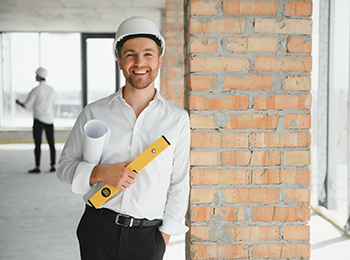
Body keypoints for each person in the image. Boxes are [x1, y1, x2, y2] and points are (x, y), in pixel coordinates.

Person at [56, 16, 190, 260]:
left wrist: (164, 237)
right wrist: (100, 173)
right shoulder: (94, 112)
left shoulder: (177, 120)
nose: (140, 62)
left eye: (148, 54)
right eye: (130, 54)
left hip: (147, 238)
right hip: (97, 228)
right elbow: (64, 168)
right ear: (119, 61)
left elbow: (179, 184)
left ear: (159, 60)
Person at [16, 67, 56, 173]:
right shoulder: (51, 90)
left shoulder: (36, 90)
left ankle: (37, 167)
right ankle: (53, 165)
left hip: (38, 119)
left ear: (38, 77)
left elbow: (27, 105)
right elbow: (53, 104)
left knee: (37, 144)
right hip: (49, 119)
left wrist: (18, 102)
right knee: (51, 143)